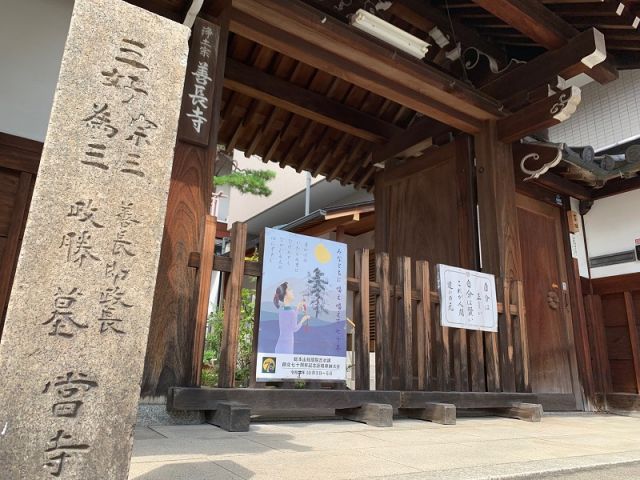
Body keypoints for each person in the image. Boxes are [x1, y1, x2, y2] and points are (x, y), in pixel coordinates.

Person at [273, 282, 309, 354]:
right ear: (285, 295)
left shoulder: (282, 311)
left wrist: (298, 309)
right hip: (286, 347)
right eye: (289, 290)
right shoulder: (291, 312)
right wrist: (303, 319)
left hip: (280, 346)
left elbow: (290, 318)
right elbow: (294, 328)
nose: (292, 291)